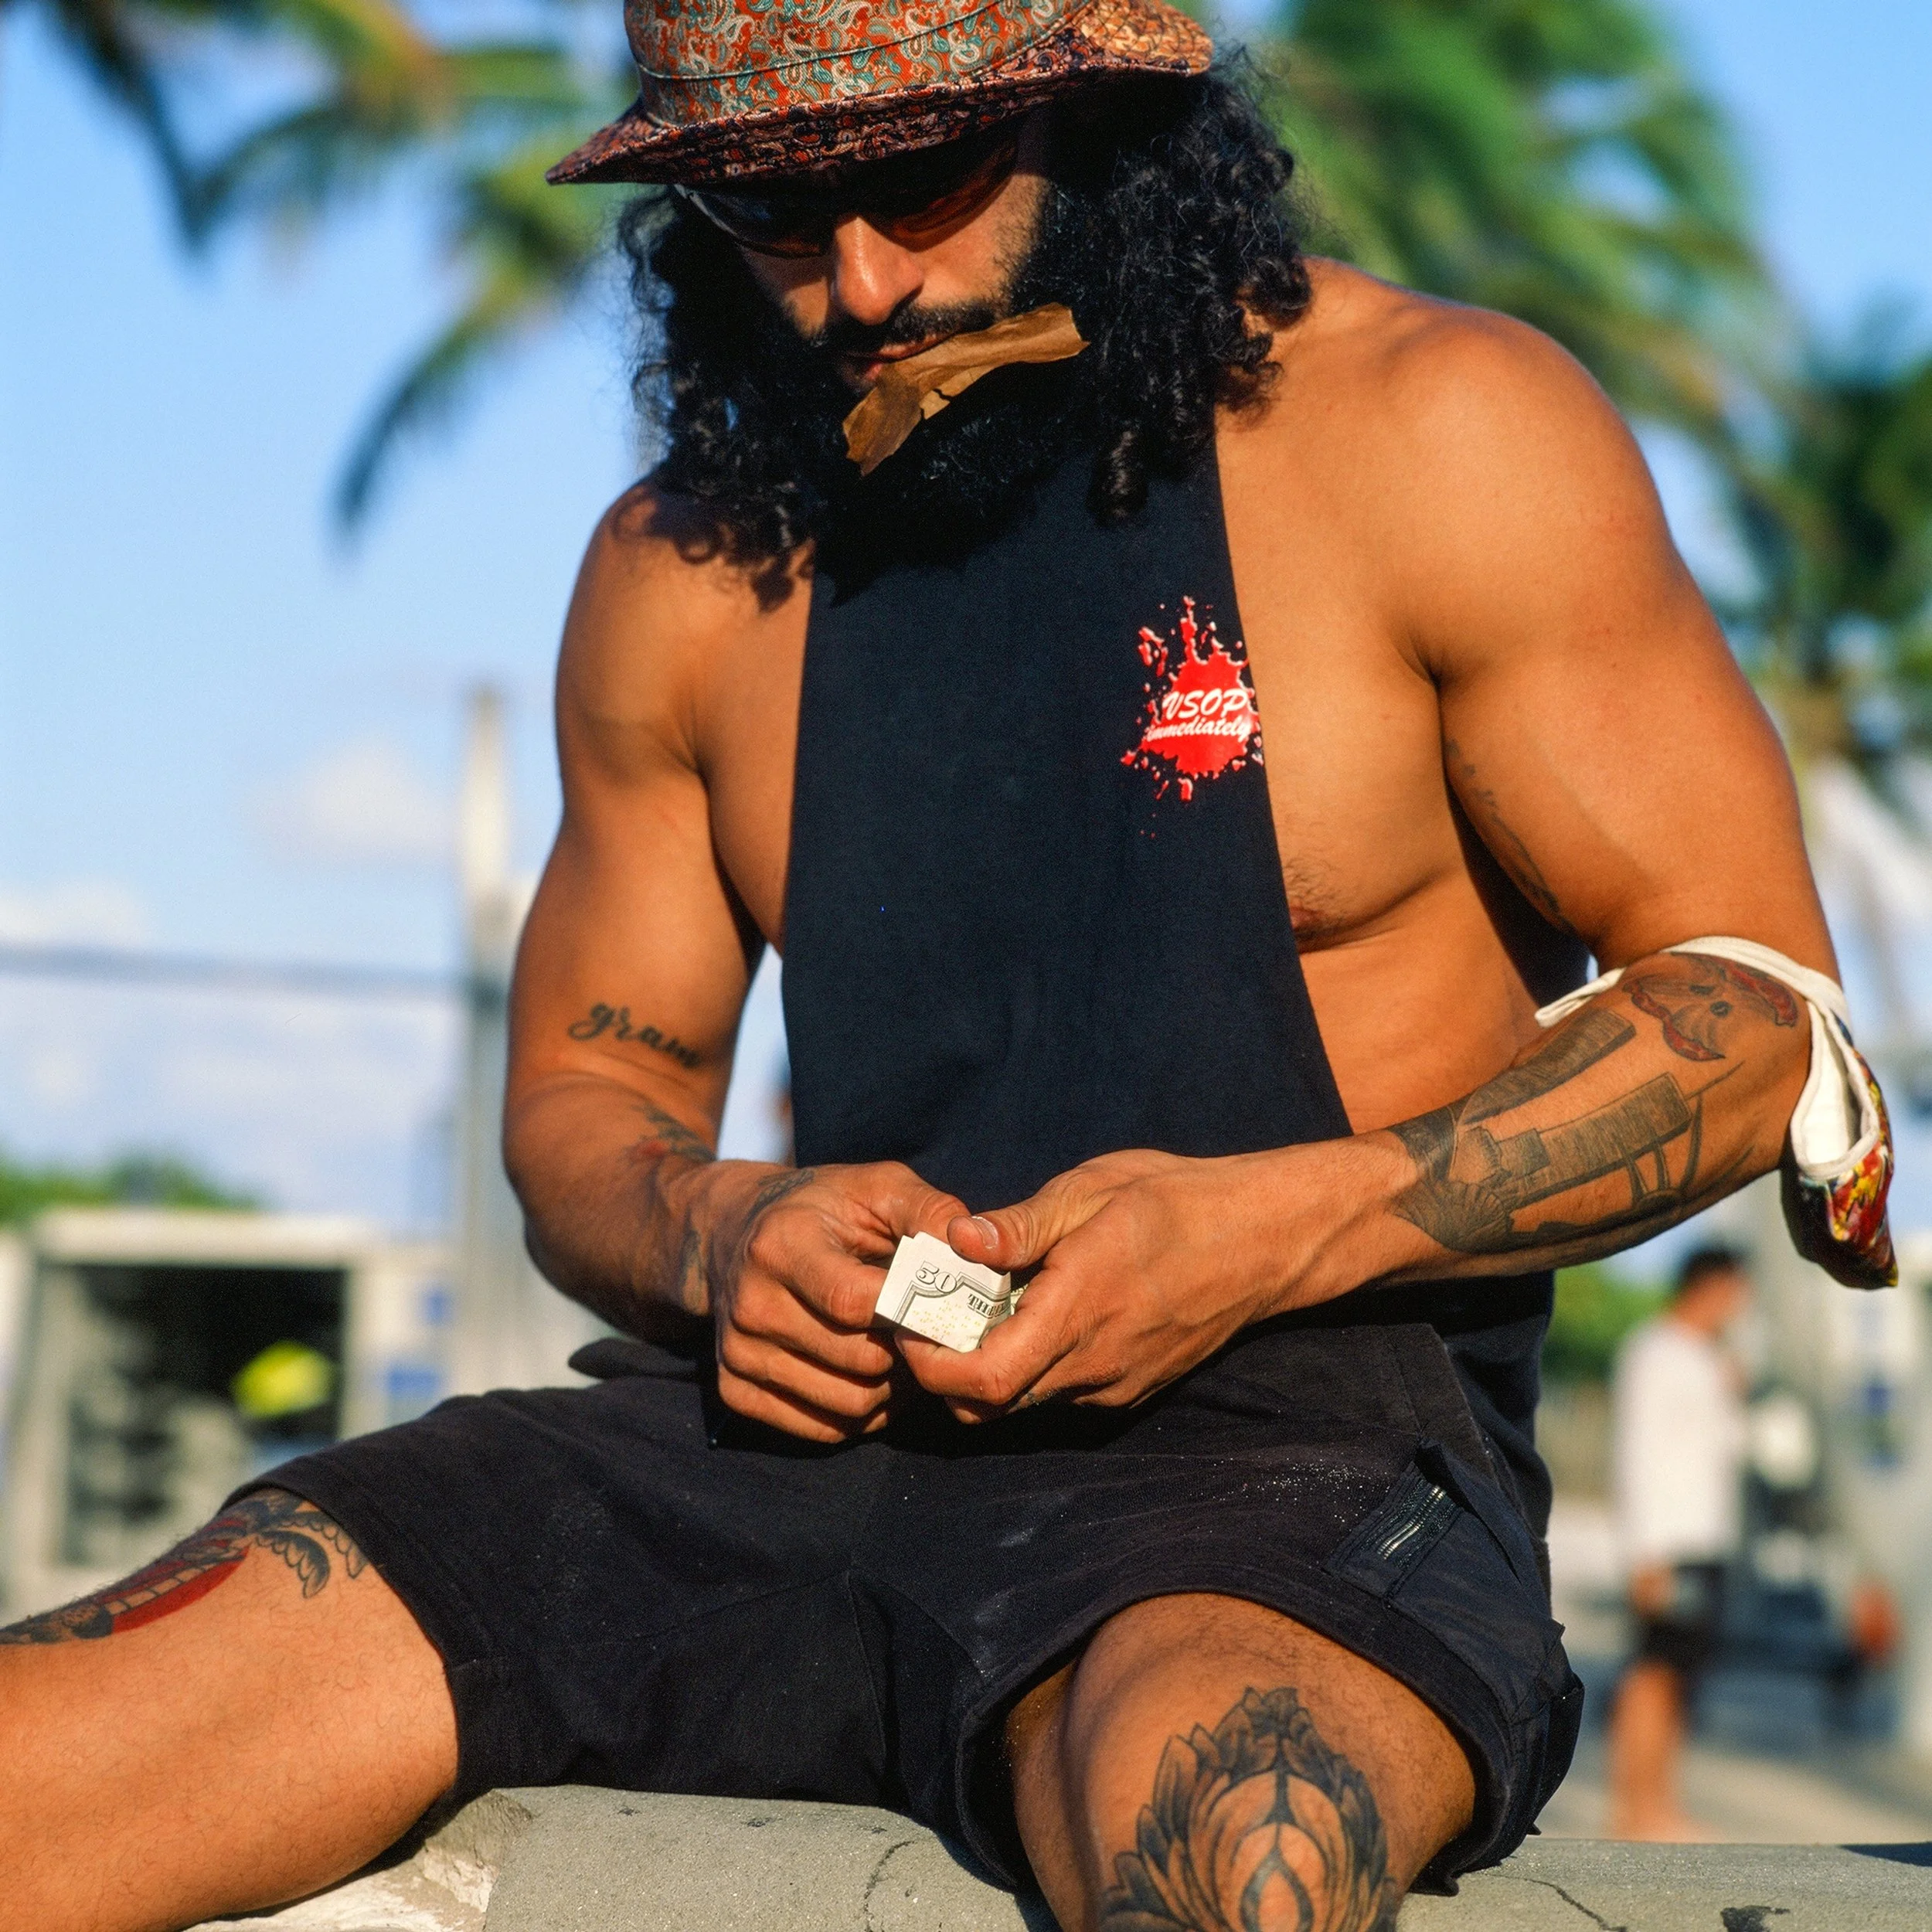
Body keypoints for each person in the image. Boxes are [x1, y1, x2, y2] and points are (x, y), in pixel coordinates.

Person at [0, 5, 1896, 1929]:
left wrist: (1260, 1231)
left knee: (1222, 1862)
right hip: (777, 1440)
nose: (858, 283)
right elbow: (588, 1095)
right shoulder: (683, 571)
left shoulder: (1438, 426)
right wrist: (715, 1235)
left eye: (919, 179)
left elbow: (1754, 1021)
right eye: (767, 206)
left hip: (1292, 1462)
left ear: (1100, 118)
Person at [1606, 1243, 1753, 1840]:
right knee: (1653, 1671)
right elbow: (1636, 1453)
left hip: (1707, 1537)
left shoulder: (1708, 1358)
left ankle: (1661, 1801)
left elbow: (1728, 1448)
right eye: (1737, 1292)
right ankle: (1633, 1808)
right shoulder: (1655, 1350)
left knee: (1682, 1675)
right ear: (1711, 1286)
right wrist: (1645, 1552)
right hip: (1669, 1543)